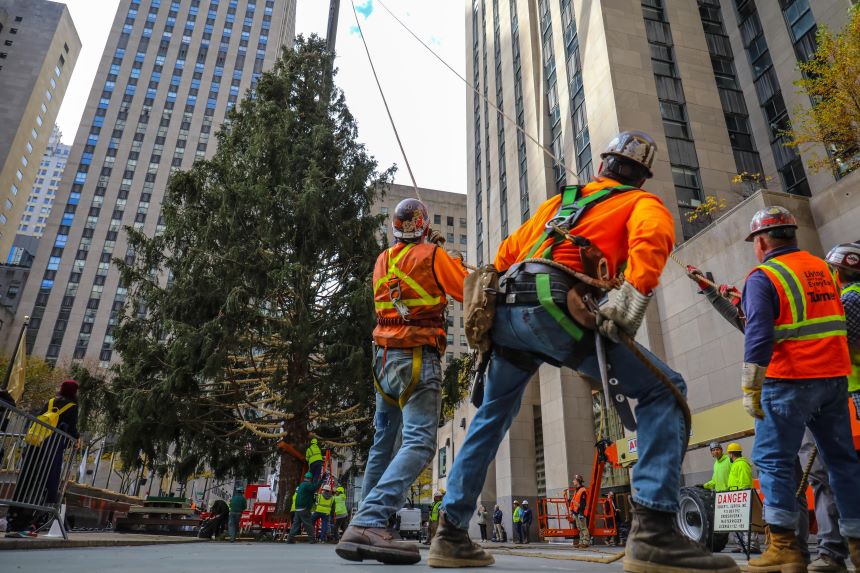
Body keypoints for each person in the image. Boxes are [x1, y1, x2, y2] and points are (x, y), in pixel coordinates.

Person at [428, 131, 738, 572]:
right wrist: (634, 291)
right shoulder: (639, 203)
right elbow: (652, 238)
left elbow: (505, 253)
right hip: (553, 308)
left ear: (602, 167)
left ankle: (451, 534)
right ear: (641, 178)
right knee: (665, 394)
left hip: (508, 316)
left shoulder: (558, 205)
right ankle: (653, 533)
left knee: (490, 417)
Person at [336, 198, 468, 566]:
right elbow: (467, 290)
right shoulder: (432, 255)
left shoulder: (384, 259)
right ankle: (371, 519)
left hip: (383, 362)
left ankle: (361, 522)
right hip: (415, 358)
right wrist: (450, 262)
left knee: (383, 443)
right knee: (420, 444)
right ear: (423, 225)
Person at [738, 207, 860, 573]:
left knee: (774, 461)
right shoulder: (824, 270)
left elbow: (758, 334)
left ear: (760, 242)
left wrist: (751, 387)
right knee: (841, 463)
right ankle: (856, 545)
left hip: (788, 380)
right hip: (834, 380)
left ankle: (786, 549)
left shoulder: (763, 277)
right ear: (792, 234)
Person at [6, 379, 81, 538]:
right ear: (74, 392)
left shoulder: (51, 401)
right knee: (44, 485)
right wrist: (77, 440)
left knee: (26, 481)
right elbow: (72, 429)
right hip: (51, 450)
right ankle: (28, 525)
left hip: (35, 445)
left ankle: (14, 521)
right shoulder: (72, 407)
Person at [286, 472, 324, 544]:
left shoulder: (301, 485)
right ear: (310, 478)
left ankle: (289, 539)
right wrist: (321, 480)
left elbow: (307, 495)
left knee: (295, 524)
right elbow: (314, 488)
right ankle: (312, 539)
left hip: (297, 508)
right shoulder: (307, 485)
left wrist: (312, 499)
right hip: (304, 508)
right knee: (308, 524)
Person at [570, 475, 590, 549]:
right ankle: (581, 542)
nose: (573, 481)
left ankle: (585, 542)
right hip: (577, 512)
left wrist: (581, 513)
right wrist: (572, 510)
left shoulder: (583, 490)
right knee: (580, 528)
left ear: (578, 481)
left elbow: (582, 504)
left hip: (581, 512)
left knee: (583, 528)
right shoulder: (577, 490)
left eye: (574, 480)